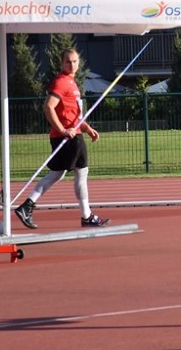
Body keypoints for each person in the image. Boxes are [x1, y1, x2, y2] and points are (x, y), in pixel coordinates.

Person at [14, 48, 110, 229]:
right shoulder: (62, 82)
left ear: (79, 62)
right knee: (81, 172)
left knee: (57, 173)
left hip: (70, 135)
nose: (71, 65)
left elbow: (72, 115)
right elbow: (48, 107)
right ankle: (86, 216)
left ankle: (27, 205)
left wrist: (87, 128)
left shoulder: (71, 83)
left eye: (74, 61)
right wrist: (63, 130)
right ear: (61, 63)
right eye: (68, 61)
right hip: (68, 138)